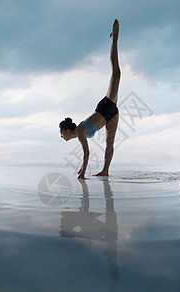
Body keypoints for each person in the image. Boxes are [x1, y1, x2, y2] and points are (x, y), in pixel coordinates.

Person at [59, 19, 121, 179]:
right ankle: (105, 170)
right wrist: (81, 171)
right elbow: (86, 152)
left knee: (116, 73)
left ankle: (115, 38)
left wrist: (83, 174)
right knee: (109, 144)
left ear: (67, 131)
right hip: (111, 116)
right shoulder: (78, 133)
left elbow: (87, 152)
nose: (62, 137)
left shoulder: (79, 131)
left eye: (61, 134)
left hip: (105, 107)